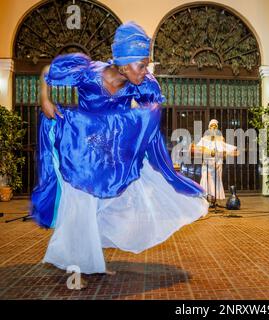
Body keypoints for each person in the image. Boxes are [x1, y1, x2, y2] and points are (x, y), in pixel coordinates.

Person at [31, 22, 209, 287]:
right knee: (80, 208)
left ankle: (93, 262)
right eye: (141, 65)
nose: (145, 71)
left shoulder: (141, 83)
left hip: (111, 155)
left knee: (111, 204)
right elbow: (47, 71)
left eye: (147, 64)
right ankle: (76, 267)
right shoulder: (89, 74)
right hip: (82, 152)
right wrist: (45, 99)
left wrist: (139, 123)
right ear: (124, 63)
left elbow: (152, 109)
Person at [194, 119, 239, 202]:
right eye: (211, 126)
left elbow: (224, 150)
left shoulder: (221, 139)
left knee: (216, 181)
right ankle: (205, 199)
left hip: (217, 163)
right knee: (206, 179)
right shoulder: (204, 139)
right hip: (207, 163)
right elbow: (198, 149)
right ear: (209, 128)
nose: (213, 128)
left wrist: (230, 153)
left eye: (215, 126)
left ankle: (215, 199)